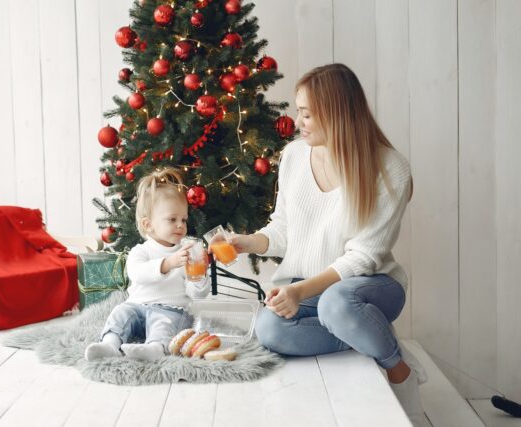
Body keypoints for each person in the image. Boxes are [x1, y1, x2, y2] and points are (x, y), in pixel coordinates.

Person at [226, 64, 426, 425]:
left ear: (336, 113)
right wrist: (247, 243)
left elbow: (364, 257)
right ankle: (362, 332)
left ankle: (398, 368)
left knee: (338, 302)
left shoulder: (390, 168)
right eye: (298, 111)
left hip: (372, 285)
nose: (297, 121)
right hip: (313, 291)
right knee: (269, 329)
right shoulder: (294, 156)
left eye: (306, 113)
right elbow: (284, 230)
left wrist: (300, 292)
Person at [84, 168, 210, 362]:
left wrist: (200, 276)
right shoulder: (140, 251)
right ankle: (110, 343)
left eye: (183, 220)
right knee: (120, 313)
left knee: (164, 323)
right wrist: (168, 263)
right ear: (148, 225)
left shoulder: (187, 252)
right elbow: (138, 274)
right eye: (172, 219)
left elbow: (196, 294)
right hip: (137, 306)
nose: (180, 225)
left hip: (171, 309)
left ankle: (155, 348)